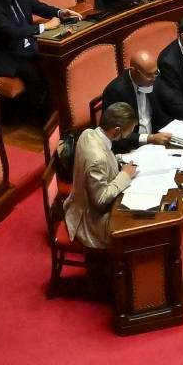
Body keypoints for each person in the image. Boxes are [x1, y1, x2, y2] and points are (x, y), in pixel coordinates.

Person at [62, 98, 136, 252]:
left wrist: (120, 161)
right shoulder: (97, 160)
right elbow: (100, 200)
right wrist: (125, 176)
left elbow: (106, 156)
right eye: (129, 131)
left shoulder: (89, 133)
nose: (129, 135)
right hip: (91, 221)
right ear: (116, 130)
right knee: (136, 224)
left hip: (82, 202)